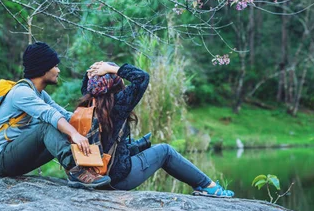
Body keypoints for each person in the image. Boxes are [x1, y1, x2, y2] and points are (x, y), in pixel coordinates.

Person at [78, 60, 234, 197]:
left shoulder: (88, 104)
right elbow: (142, 78)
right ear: (115, 82)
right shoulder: (119, 103)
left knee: (139, 146)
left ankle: (206, 186)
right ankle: (208, 186)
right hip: (116, 179)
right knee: (165, 151)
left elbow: (86, 88)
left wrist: (90, 73)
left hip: (95, 176)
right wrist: (113, 68)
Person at [0, 42, 111, 189]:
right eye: (55, 66)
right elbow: (50, 115)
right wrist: (74, 134)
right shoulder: (21, 93)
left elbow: (65, 115)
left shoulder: (40, 94)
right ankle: (76, 171)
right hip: (1, 159)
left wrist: (97, 123)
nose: (58, 70)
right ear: (43, 68)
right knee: (47, 126)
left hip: (19, 158)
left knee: (62, 125)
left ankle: (88, 168)